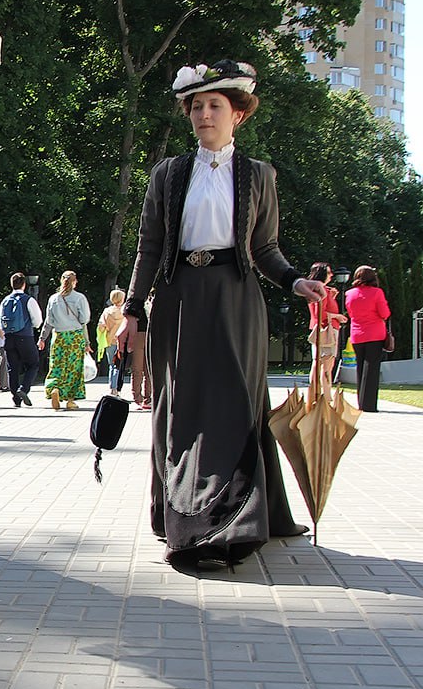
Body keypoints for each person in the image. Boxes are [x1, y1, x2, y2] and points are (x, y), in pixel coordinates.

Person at [117, 59, 326, 567]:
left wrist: (295, 280)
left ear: (239, 115)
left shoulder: (259, 176)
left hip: (237, 301)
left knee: (235, 405)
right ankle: (189, 524)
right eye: (197, 106)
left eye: (215, 105)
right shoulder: (167, 174)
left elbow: (267, 248)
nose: (205, 114)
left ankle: (235, 518)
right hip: (179, 299)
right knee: (184, 408)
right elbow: (149, 246)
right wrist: (132, 309)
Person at [37, 270, 93, 410]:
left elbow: (48, 321)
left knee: (57, 366)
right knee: (73, 368)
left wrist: (42, 338)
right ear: (74, 282)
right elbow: (84, 319)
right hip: (74, 337)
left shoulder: (53, 299)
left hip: (59, 337)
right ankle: (70, 399)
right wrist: (87, 342)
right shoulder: (79, 298)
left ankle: (55, 388)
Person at [345, 264, 391, 413]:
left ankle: (361, 402)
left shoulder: (349, 294)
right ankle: (369, 405)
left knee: (360, 369)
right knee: (371, 369)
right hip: (374, 334)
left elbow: (351, 313)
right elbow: (385, 314)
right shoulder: (377, 293)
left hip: (357, 335)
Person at [0, 272, 44, 408]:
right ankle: (23, 389)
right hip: (24, 336)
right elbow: (37, 320)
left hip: (9, 338)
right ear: (24, 284)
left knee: (12, 368)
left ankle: (16, 399)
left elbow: (0, 320)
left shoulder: (5, 300)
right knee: (33, 363)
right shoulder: (28, 300)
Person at [306, 262, 346, 399]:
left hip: (321, 329)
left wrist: (331, 298)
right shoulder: (321, 290)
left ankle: (314, 397)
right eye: (329, 273)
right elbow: (320, 314)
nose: (332, 275)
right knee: (326, 365)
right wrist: (337, 316)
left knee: (318, 364)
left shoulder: (318, 290)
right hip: (326, 331)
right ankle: (326, 398)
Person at [97, 289, 127, 397]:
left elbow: (101, 326)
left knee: (112, 364)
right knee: (120, 365)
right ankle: (117, 388)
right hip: (123, 340)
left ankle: (112, 388)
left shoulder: (107, 311)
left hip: (110, 340)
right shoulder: (125, 311)